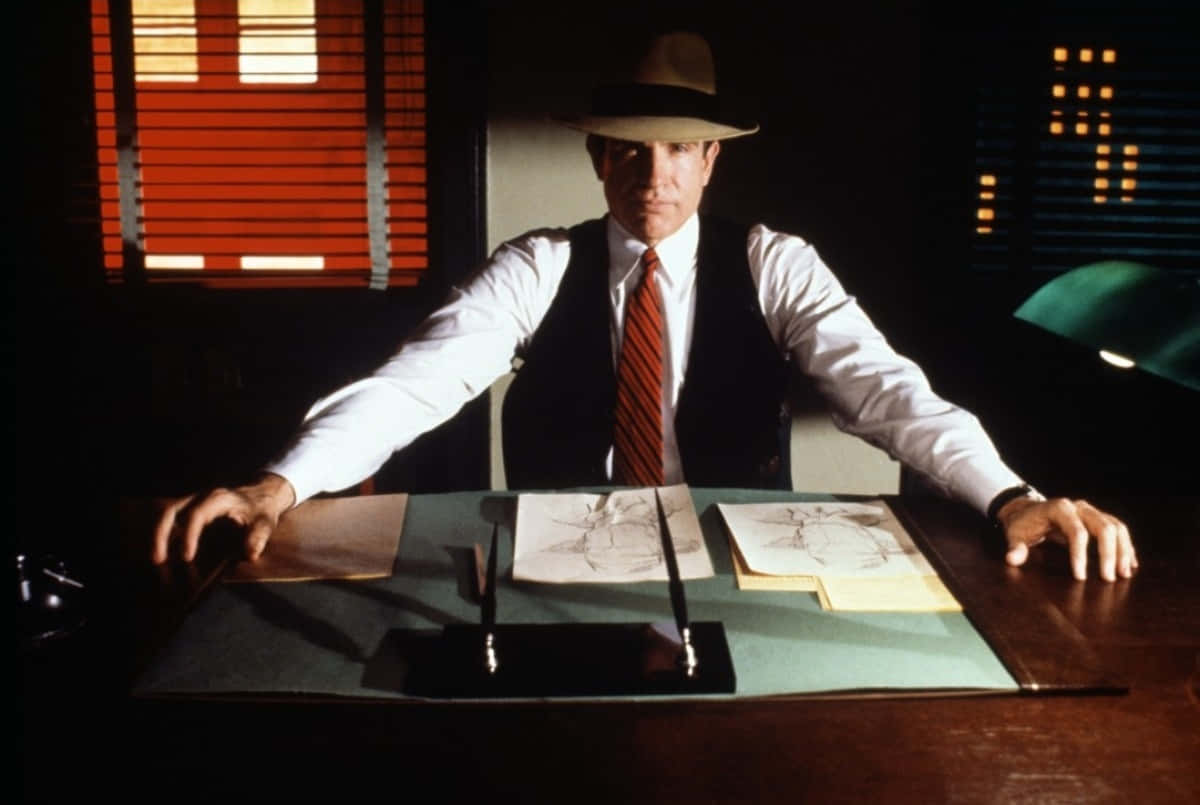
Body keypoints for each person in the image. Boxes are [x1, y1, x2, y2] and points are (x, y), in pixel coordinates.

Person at [153, 31, 1136, 582]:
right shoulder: (539, 264)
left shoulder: (776, 263)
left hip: (733, 557)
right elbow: (415, 383)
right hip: (554, 558)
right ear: (597, 156)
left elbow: (886, 392)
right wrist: (279, 483)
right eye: (628, 146)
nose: (652, 176)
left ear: (713, 157)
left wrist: (1012, 494)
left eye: (678, 149)